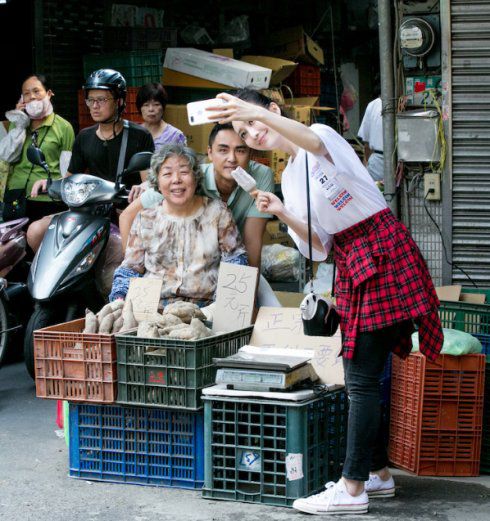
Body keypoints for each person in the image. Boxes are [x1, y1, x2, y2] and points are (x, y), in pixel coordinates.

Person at [208, 88, 443, 515]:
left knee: (360, 378)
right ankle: (377, 475)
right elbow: (317, 246)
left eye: (254, 123)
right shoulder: (289, 177)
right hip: (354, 261)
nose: (252, 134)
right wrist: (280, 211)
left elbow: (312, 142)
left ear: (274, 112)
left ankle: (353, 489)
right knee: (363, 374)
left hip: (381, 250)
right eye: (243, 132)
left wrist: (245, 108)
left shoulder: (317, 135)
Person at [28, 68, 155, 252]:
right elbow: (70, 178)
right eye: (91, 100)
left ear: (119, 101)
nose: (94, 106)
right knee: (35, 231)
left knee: (115, 255)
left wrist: (144, 187)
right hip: (89, 211)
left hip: (123, 213)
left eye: (102, 100)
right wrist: (49, 183)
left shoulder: (139, 136)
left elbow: (148, 183)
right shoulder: (84, 137)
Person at [119, 122, 274, 272]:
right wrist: (134, 267)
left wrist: (248, 292)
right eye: (223, 150)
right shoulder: (187, 178)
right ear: (210, 153)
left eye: (240, 150)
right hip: (183, 266)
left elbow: (252, 241)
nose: (232, 158)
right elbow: (127, 216)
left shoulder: (261, 177)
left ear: (251, 153)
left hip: (233, 264)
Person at [109, 144, 247, 307]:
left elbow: (235, 260)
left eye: (184, 172)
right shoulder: (146, 218)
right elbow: (130, 268)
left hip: (206, 308)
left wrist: (224, 305)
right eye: (167, 173)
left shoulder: (217, 212)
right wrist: (119, 299)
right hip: (154, 308)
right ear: (157, 183)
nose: (176, 180)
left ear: (195, 178)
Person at [2, 74, 74, 224]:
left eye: (36, 91)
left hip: (47, 199)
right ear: (22, 99)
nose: (32, 97)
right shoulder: (18, 124)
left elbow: (66, 171)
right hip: (16, 197)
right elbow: (8, 156)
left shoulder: (64, 127)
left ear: (49, 94)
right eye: (26, 94)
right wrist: (20, 122)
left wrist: (53, 186)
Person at [136, 82, 186, 150]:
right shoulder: (134, 133)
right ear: (140, 108)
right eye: (146, 105)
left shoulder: (175, 135)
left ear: (163, 107)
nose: (151, 109)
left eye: (156, 104)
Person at [358, 85, 383, 182]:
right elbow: (366, 144)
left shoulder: (372, 105)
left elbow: (366, 143)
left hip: (377, 162)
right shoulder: (373, 105)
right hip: (377, 161)